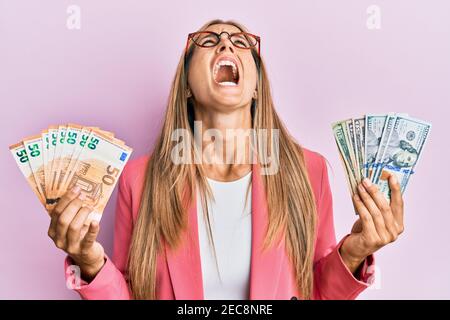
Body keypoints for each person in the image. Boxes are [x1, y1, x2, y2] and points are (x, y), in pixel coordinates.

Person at [47, 19, 405, 300]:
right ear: (186, 84)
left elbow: (320, 293)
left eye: (241, 42)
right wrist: (90, 263)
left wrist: (357, 251)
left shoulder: (308, 171)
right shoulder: (139, 181)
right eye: (207, 40)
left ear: (255, 86)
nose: (225, 43)